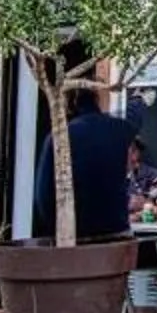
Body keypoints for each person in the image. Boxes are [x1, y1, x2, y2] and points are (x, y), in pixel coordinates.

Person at [27, 84, 135, 245]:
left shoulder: (60, 136)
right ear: (96, 99)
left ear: (69, 104)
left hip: (77, 236)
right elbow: (136, 118)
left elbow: (44, 195)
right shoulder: (122, 128)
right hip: (118, 232)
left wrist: (58, 228)